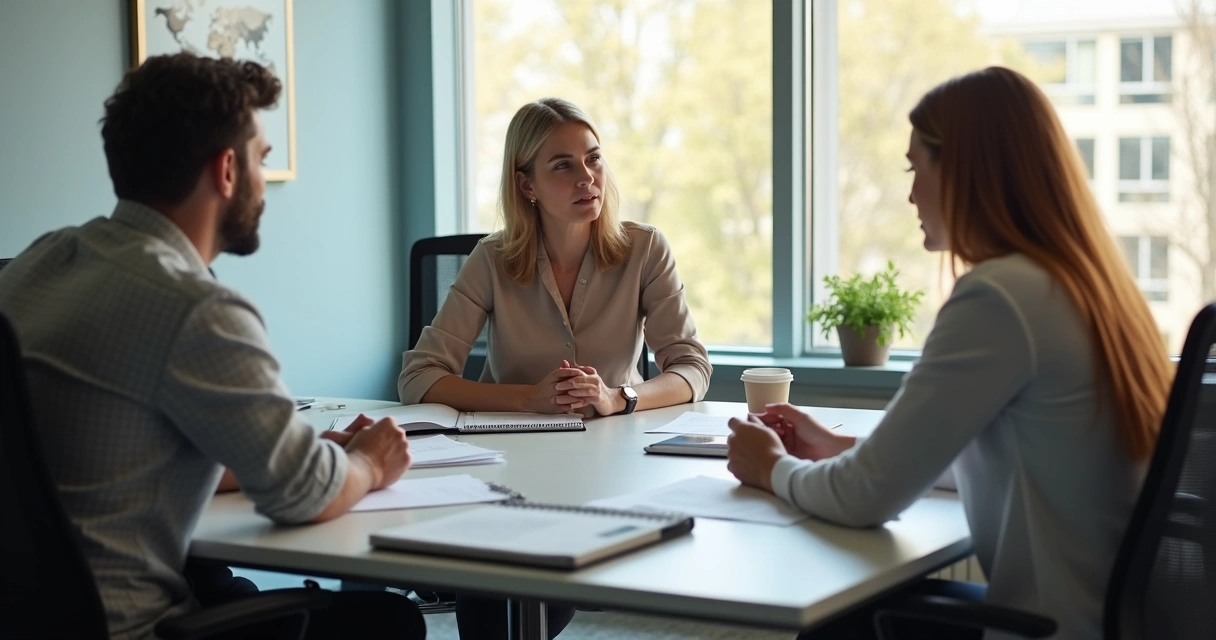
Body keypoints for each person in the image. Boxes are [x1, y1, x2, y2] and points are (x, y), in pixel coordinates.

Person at [726, 66, 1172, 640]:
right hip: (1097, 620)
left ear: (966, 171)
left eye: (918, 167)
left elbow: (867, 498)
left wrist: (771, 469)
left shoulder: (1001, 296)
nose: (910, 192)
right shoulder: (1086, 285)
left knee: (834, 618)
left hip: (1042, 628)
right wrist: (840, 447)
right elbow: (1029, 460)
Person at [0, 53, 423, 640]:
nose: (262, 183)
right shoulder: (196, 307)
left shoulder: (34, 265)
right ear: (227, 170)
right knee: (388, 621)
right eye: (261, 160)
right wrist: (370, 462)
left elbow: (117, 455)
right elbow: (304, 495)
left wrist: (283, 453)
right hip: (136, 627)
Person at [398, 97, 713, 638]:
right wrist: (528, 398)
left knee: (542, 587)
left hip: (611, 467)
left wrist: (621, 397)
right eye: (563, 165)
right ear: (527, 185)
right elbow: (418, 377)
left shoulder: (645, 249)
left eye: (593, 159)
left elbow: (691, 368)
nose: (587, 177)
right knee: (493, 593)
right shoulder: (492, 260)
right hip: (510, 466)